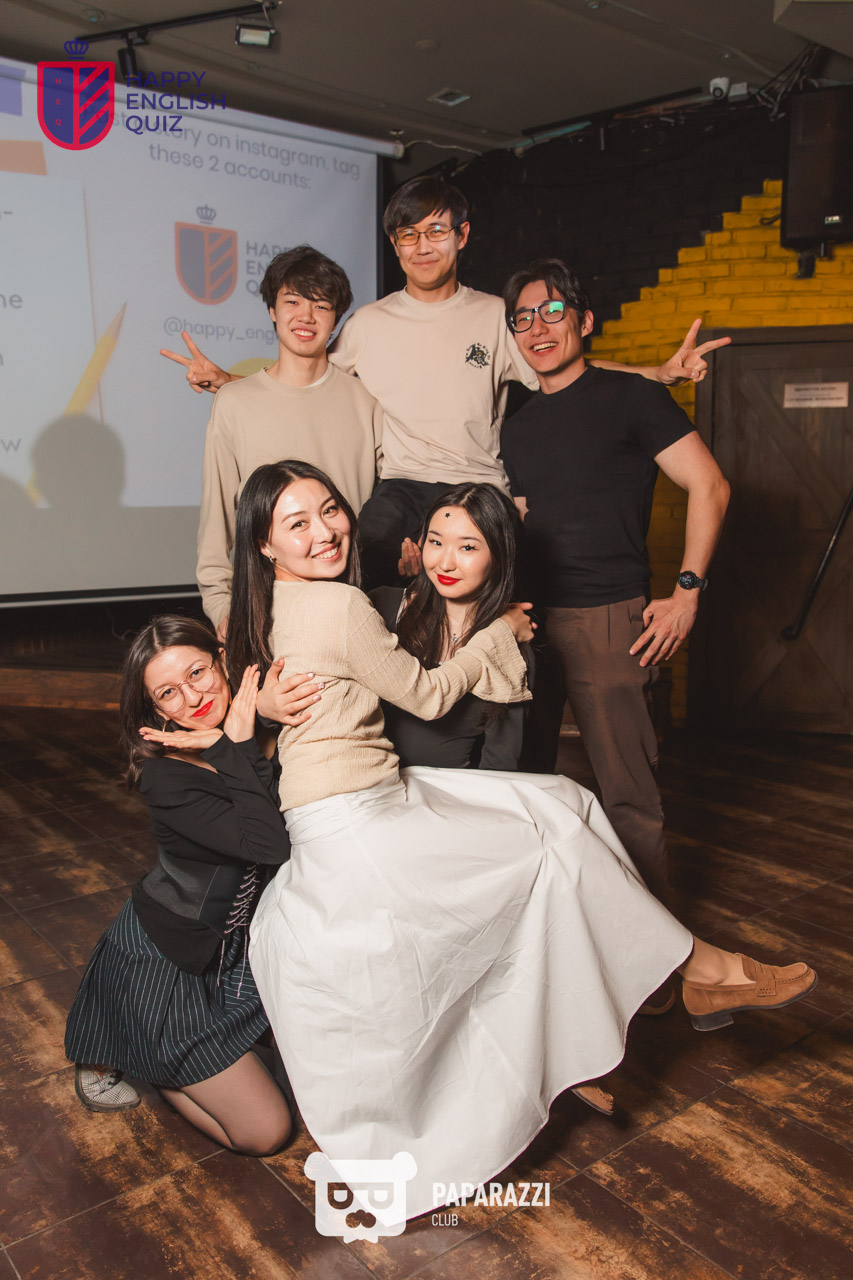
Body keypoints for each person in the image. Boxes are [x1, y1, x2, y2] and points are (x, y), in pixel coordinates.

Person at [225, 459, 814, 1225]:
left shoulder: (277, 603)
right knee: (553, 840)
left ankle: (685, 970)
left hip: (363, 796)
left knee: (561, 803)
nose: (325, 531)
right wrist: (496, 635)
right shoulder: (339, 605)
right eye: (297, 523)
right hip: (356, 818)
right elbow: (427, 695)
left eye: (330, 510)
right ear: (264, 544)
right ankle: (695, 969)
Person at [163, 177, 728, 587]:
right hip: (402, 483)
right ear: (395, 246)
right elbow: (304, 372)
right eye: (408, 235)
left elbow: (563, 366)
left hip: (477, 484)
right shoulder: (368, 324)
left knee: (493, 601)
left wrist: (657, 374)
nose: (422, 246)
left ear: (462, 235)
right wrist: (230, 382)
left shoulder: (494, 314)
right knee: (361, 563)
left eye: (436, 230)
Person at [501, 258, 731, 922]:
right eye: (523, 318)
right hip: (527, 625)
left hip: (607, 619)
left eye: (552, 312)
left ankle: (655, 953)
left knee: (628, 797)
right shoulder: (517, 421)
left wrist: (685, 592)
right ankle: (555, 932)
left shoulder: (632, 398)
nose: (538, 328)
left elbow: (710, 486)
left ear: (584, 321)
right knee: (527, 788)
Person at [64, 616, 295, 1155]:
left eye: (197, 672)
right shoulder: (166, 777)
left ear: (222, 660)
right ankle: (150, 1060)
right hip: (165, 962)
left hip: (231, 952)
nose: (192, 697)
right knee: (265, 1132)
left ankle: (173, 1055)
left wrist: (244, 728)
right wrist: (231, 745)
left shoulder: (248, 724)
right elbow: (270, 845)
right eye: (168, 692)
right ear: (156, 711)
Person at [163, 246, 383, 638]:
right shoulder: (234, 402)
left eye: (321, 305)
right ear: (272, 310)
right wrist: (222, 608)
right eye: (292, 301)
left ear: (336, 319)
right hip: (268, 612)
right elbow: (216, 521)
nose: (306, 316)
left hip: (353, 602)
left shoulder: (366, 400)